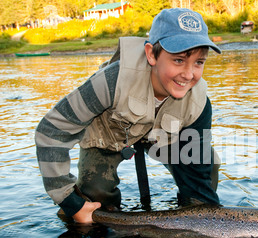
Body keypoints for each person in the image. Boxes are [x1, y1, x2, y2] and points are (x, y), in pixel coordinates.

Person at [35, 8, 222, 224]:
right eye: (179, 60)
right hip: (108, 137)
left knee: (208, 169)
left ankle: (184, 227)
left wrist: (212, 222)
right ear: (151, 54)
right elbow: (52, 131)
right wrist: (69, 202)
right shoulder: (112, 81)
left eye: (199, 62)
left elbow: (197, 170)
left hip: (162, 136)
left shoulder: (198, 102)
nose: (189, 75)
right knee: (94, 192)